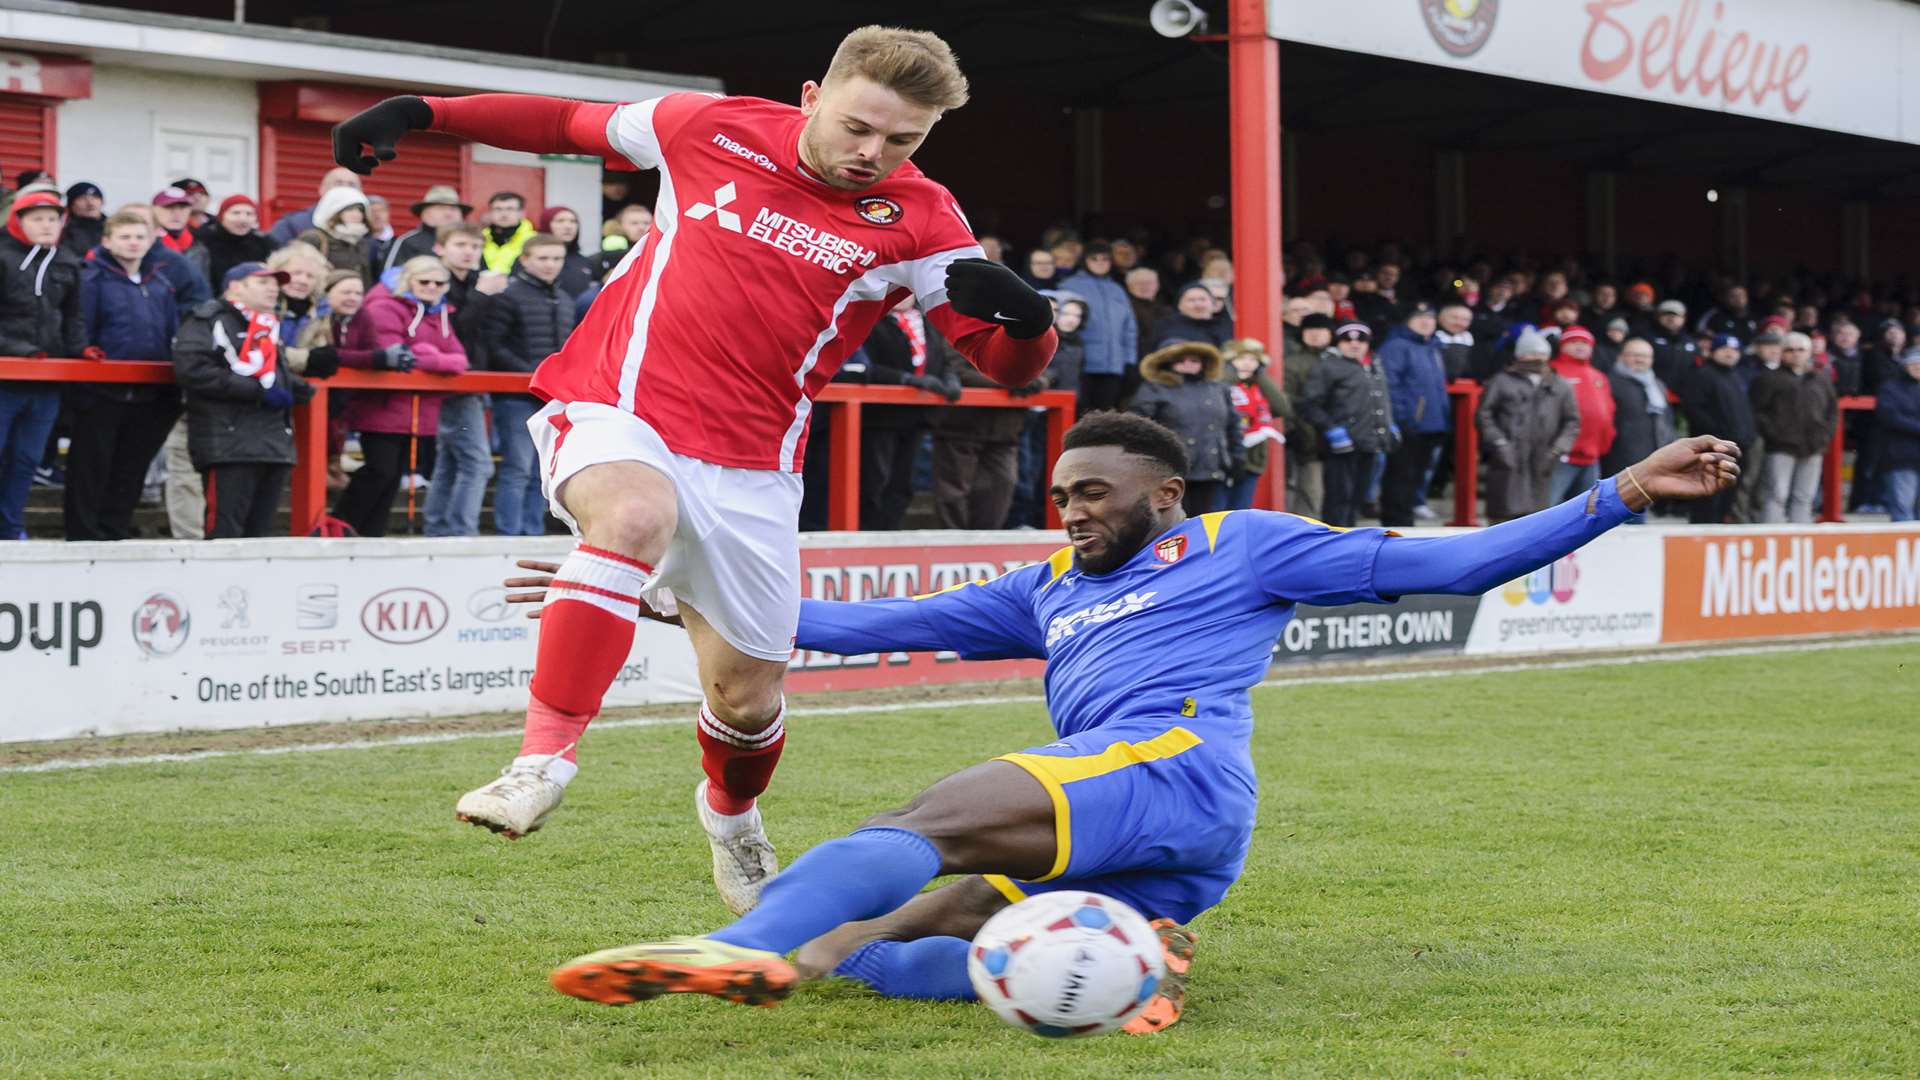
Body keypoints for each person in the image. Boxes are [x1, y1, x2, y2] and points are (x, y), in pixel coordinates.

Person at [520, 413, 1742, 1026]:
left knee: (924, 819)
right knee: (884, 942)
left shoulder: (1246, 545)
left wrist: (1623, 491)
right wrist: (639, 589)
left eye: (1094, 495)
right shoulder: (1048, 586)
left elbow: (1461, 565)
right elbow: (826, 627)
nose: (1072, 513)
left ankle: (742, 940)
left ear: (1167, 492)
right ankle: (1133, 962)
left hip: (1173, 771)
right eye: (1061, 495)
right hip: (1155, 843)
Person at [333, 24, 1056, 897]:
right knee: (633, 515)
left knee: (747, 704)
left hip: (754, 467)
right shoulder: (706, 128)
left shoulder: (924, 218)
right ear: (811, 97)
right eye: (858, 127)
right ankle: (540, 761)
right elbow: (565, 120)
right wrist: (427, 111)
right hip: (616, 407)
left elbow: (1004, 365)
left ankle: (731, 813)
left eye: (902, 140)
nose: (873, 154)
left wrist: (1027, 320)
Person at [171, 263, 314, 538]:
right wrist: (256, 391)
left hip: (272, 441)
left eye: (275, 283)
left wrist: (298, 388)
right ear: (235, 286)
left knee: (259, 534)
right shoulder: (207, 320)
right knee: (225, 531)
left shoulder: (266, 326)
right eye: (262, 283)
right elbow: (194, 370)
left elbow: (273, 375)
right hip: (228, 440)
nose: (273, 289)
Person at [333, 255, 469, 536]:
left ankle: (371, 533)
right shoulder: (385, 306)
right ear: (408, 280)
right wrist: (430, 356)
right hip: (382, 404)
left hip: (418, 409)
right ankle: (341, 525)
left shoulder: (439, 314)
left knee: (392, 477)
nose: (431, 287)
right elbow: (398, 355)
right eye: (424, 281)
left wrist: (426, 353)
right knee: (379, 471)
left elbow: (459, 359)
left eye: (438, 282)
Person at [66, 210, 182, 541]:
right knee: (91, 467)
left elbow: (170, 330)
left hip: (148, 393)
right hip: (101, 390)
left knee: (130, 469)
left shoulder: (160, 282)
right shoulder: (92, 278)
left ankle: (114, 530)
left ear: (150, 242)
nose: (133, 243)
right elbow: (81, 328)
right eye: (125, 237)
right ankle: (83, 535)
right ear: (107, 241)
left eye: (139, 237)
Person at [0, 190, 84, 540]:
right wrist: (21, 350)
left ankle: (11, 527)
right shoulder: (3, 257)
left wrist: (81, 351)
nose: (47, 225)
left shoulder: (67, 261)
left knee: (26, 459)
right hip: (6, 377)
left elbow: (73, 316)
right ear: (18, 222)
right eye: (37, 219)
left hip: (47, 380)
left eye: (53, 219)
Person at [486, 233, 579, 535]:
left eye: (556, 259)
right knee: (518, 467)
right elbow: (495, 346)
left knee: (542, 471)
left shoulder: (565, 299)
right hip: (516, 395)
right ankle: (509, 532)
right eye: (543, 258)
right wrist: (533, 374)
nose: (550, 265)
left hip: (553, 397)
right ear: (524, 260)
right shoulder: (508, 296)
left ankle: (532, 530)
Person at [423, 222, 507, 537]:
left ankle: (439, 529)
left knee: (450, 462)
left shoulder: (475, 282)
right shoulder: (434, 282)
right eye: (461, 245)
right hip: (450, 381)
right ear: (440, 248)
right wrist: (483, 296)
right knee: (477, 464)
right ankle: (461, 533)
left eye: (474, 246)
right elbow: (453, 332)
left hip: (473, 380)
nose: (469, 252)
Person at [856, 295, 960, 529]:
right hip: (879, 415)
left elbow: (942, 359)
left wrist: (950, 379)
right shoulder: (870, 321)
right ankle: (869, 531)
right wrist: (906, 380)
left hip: (918, 415)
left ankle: (891, 529)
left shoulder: (928, 323)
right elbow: (865, 366)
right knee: (874, 480)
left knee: (903, 481)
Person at [1477, 329, 1580, 522]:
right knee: (1504, 511)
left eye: (1542, 353)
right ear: (1520, 355)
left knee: (1540, 515)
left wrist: (1558, 449)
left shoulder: (1561, 385)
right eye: (1532, 353)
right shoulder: (1500, 381)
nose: (1537, 358)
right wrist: (1499, 443)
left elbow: (1572, 421)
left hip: (1545, 457)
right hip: (1508, 454)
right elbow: (1484, 415)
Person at [1129, 341, 1242, 514]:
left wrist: (1237, 456)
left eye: (1195, 360)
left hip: (1212, 467)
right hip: (1171, 469)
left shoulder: (1218, 389)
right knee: (1173, 524)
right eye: (1181, 360)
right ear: (1169, 363)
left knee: (1208, 522)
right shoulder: (1154, 389)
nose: (1189, 364)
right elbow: (1138, 426)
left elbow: (1232, 426)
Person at [1301, 322, 1394, 527]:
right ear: (1338, 343)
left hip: (1370, 440)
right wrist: (1330, 429)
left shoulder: (1375, 364)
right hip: (1342, 444)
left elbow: (1381, 400)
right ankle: (1334, 541)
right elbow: (1310, 405)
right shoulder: (1327, 367)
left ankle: (1350, 537)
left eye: (1361, 340)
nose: (1355, 344)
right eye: (1348, 340)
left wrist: (1388, 425)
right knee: (1338, 497)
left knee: (1358, 496)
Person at [1749, 331, 1838, 523]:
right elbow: (1757, 412)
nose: (1796, 354)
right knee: (1776, 495)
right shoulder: (1768, 379)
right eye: (1790, 349)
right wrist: (1774, 435)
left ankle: (1801, 540)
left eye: (1801, 349)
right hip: (1781, 446)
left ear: (1809, 353)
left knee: (1804, 497)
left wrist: (1824, 436)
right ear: (1782, 352)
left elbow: (1832, 411)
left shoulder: (1821, 379)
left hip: (1813, 446)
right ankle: (1772, 540)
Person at [1377, 303, 1449, 527]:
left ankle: (1405, 518)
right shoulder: (1396, 346)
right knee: (1400, 477)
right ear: (1408, 321)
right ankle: (1396, 523)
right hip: (1408, 425)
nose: (1426, 322)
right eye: (1420, 318)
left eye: (1430, 318)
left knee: (1416, 477)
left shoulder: (1432, 347)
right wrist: (1403, 418)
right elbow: (1390, 385)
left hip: (1431, 425)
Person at [1678, 334, 1757, 524]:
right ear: (1713, 351)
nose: (1730, 354)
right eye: (1724, 349)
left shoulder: (1737, 376)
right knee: (1708, 499)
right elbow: (1694, 409)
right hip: (1713, 450)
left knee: (1728, 498)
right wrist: (1716, 436)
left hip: (1738, 447)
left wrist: (1749, 435)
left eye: (1734, 350)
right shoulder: (1703, 374)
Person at [1059, 241, 1137, 415]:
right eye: (1094, 258)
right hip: (1081, 364)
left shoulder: (1117, 289)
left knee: (1105, 416)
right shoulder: (1069, 285)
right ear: (1084, 261)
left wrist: (1129, 361)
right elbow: (1063, 324)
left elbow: (1129, 329)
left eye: (1105, 259)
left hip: (1113, 366)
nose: (1100, 263)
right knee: (1079, 414)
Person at [1549, 325, 1616, 501]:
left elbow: (1608, 411)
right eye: (1574, 342)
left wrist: (1605, 442)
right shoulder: (1552, 371)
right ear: (1562, 345)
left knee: (1587, 510)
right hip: (1561, 455)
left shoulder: (1598, 376)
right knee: (1548, 509)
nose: (1580, 346)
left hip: (1592, 456)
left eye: (1585, 343)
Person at [1219, 338, 1285, 511]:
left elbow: (1281, 408)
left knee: (1242, 509)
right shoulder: (1222, 383)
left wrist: (1262, 377)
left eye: (1253, 360)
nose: (1247, 364)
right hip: (1225, 458)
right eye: (1241, 359)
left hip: (1253, 457)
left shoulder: (1259, 387)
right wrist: (1230, 374)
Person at [1602, 338, 1674, 484]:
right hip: (1619, 458)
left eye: (1645, 356)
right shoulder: (1609, 382)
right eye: (1634, 355)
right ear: (1621, 356)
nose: (1640, 360)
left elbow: (1667, 420)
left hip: (1654, 456)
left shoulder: (1657, 384)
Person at [1282, 312, 1331, 519]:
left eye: (1321, 330)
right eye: (1310, 330)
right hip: (1309, 438)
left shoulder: (1340, 358)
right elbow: (1290, 401)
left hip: (1344, 436)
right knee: (1310, 492)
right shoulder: (1292, 363)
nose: (1316, 335)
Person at [381, 185, 471, 274]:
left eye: (453, 209)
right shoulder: (408, 242)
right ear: (424, 213)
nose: (448, 213)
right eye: (441, 208)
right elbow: (391, 278)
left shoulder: (472, 243)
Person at [194, 194, 276, 290]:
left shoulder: (265, 243)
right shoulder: (203, 240)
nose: (243, 219)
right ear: (222, 216)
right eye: (236, 213)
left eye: (249, 214)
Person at [1876, 351, 1920, 522]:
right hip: (1900, 457)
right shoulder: (1890, 388)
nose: (1918, 368)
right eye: (1914, 364)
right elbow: (1889, 417)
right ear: (1905, 366)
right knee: (1903, 509)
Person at [298, 186, 375, 282]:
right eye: (349, 209)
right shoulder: (314, 238)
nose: (356, 214)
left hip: (354, 295)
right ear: (335, 211)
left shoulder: (362, 242)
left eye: (360, 210)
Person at [268, 166, 362, 245]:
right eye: (338, 183)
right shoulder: (292, 225)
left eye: (352, 185)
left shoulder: (368, 229)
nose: (344, 189)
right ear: (322, 189)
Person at [152, 187, 211, 286]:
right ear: (153, 210)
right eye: (169, 207)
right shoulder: (144, 244)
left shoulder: (199, 246)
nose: (177, 213)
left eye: (182, 207)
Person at [537, 206, 601, 297]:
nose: (568, 226)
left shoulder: (585, 262)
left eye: (573, 221)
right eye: (560, 221)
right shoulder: (531, 258)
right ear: (546, 224)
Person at [1150, 282, 1231, 351]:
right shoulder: (1166, 327)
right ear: (1179, 305)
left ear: (1212, 303)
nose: (1198, 304)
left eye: (1202, 299)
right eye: (1191, 300)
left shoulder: (1225, 327)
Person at [1647, 298, 1698, 388]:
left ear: (1684, 318)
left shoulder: (1691, 342)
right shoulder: (1647, 338)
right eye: (1666, 314)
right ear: (1658, 316)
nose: (1671, 318)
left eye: (1676, 315)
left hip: (1685, 394)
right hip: (1654, 389)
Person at [481, 192, 534, 274]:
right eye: (498, 209)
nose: (504, 214)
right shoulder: (479, 238)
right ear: (490, 212)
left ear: (522, 213)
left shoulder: (533, 240)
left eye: (510, 209)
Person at [59, 181, 105, 259]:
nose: (90, 203)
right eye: (82, 198)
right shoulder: (62, 229)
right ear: (71, 205)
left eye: (95, 198)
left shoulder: (114, 227)